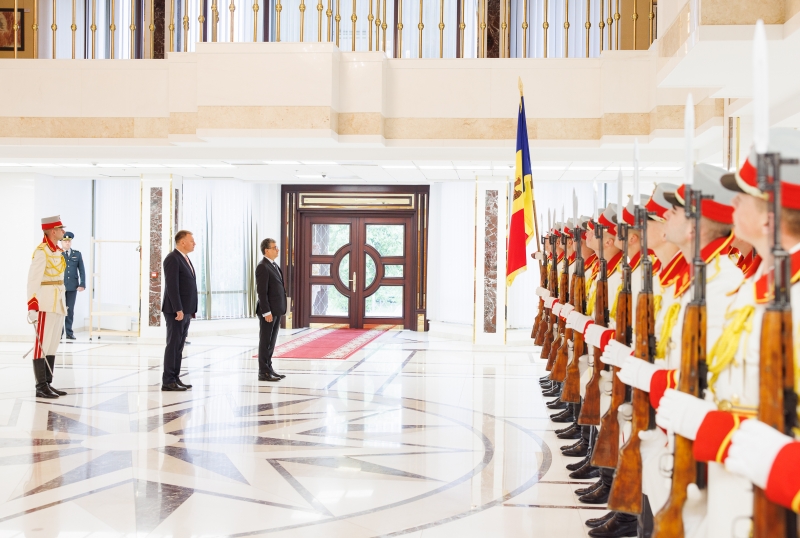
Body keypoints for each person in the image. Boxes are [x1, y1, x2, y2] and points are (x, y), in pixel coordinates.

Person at [27, 216, 68, 399]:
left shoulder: (57, 251)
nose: (63, 232)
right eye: (61, 229)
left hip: (58, 302)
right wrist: (32, 305)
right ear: (53, 231)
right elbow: (33, 280)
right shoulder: (42, 252)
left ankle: (48, 383)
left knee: (52, 344)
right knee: (42, 345)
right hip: (45, 303)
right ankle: (40, 386)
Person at [161, 230, 198, 392]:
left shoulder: (184, 258)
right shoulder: (172, 258)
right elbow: (172, 286)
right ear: (182, 242)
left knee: (179, 346)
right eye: (191, 241)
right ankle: (168, 380)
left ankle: (175, 378)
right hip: (176, 310)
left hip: (185, 310)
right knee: (173, 345)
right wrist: (178, 308)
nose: (194, 243)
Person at [256, 238, 287, 382]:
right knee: (265, 341)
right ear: (266, 250)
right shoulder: (262, 266)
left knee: (271, 341)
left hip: (276, 310)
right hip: (268, 312)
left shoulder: (273, 265)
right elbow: (262, 292)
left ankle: (269, 368)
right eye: (274, 247)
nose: (277, 249)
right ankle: (263, 372)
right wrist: (266, 312)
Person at [60, 231, 85, 340]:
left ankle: (69, 332)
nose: (67, 243)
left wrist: (82, 284)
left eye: (69, 241)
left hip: (72, 286)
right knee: (60, 310)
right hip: (60, 286)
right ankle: (59, 332)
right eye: (65, 241)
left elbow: (82, 270)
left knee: (70, 310)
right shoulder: (58, 254)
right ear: (61, 242)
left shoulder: (77, 254)